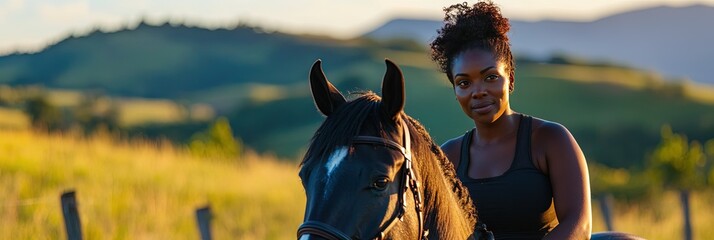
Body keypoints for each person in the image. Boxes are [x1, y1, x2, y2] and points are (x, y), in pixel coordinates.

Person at [429, 1, 592, 239]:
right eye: (464, 83)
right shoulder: (447, 158)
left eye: (491, 77)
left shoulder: (550, 140)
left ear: (511, 79)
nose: (478, 91)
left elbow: (580, 227)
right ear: (455, 91)